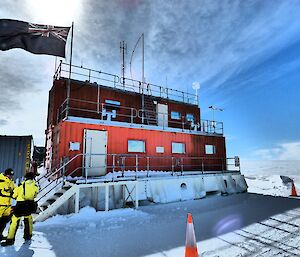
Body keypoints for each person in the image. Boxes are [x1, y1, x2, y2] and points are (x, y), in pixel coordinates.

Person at [1, 172, 39, 246]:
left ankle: (10, 240)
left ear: (26, 178)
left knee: (14, 222)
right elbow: (35, 195)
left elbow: (14, 195)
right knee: (28, 220)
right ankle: (28, 236)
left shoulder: (21, 185)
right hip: (29, 206)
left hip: (20, 205)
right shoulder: (35, 185)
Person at [0, 168, 15, 241]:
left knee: (4, 221)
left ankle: (0, 235)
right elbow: (1, 192)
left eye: (11, 175)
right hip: (0, 204)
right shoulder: (1, 180)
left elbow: (14, 189)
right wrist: (10, 194)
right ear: (6, 174)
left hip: (7, 205)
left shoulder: (11, 182)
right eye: (9, 175)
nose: (10, 177)